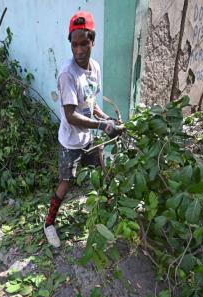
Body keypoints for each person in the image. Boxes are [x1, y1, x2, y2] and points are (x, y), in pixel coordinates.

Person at [43, 11, 123, 248]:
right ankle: (48, 224)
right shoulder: (68, 75)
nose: (79, 50)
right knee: (66, 182)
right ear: (71, 45)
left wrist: (107, 118)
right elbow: (70, 115)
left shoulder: (95, 68)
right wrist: (102, 125)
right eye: (74, 44)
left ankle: (110, 213)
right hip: (71, 141)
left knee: (103, 173)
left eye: (84, 43)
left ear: (92, 41)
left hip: (88, 138)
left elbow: (90, 102)